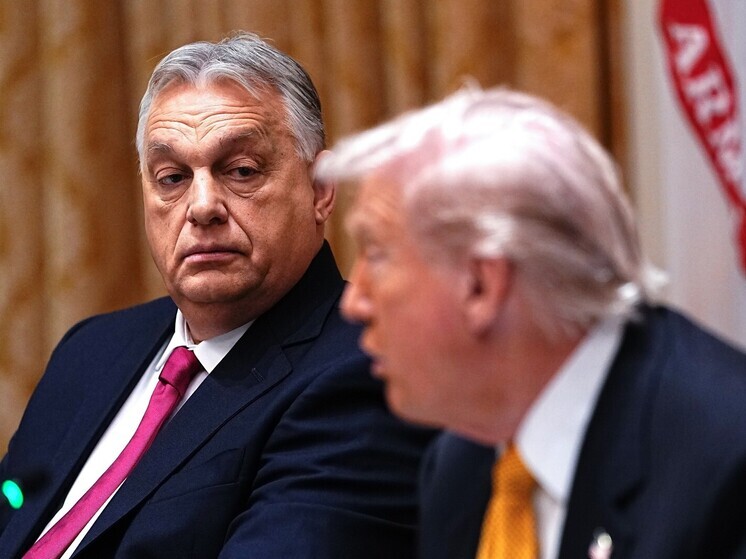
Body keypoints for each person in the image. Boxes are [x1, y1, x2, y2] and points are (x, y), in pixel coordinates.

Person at [0, 32, 433, 559]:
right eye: (172, 178)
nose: (202, 206)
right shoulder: (91, 351)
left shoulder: (369, 367)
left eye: (242, 171)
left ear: (321, 189)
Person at [315, 87, 746, 559]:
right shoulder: (461, 464)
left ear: (481, 284)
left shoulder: (725, 463)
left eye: (376, 255)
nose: (353, 302)